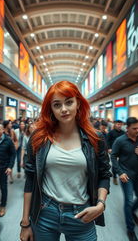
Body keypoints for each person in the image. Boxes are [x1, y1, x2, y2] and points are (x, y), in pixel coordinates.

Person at [19, 80, 111, 241]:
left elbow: (104, 174)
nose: (63, 109)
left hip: (82, 213)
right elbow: (30, 180)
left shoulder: (95, 138)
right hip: (45, 212)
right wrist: (25, 223)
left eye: (69, 102)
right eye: (57, 105)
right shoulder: (39, 138)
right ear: (51, 110)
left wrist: (100, 205)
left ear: (78, 104)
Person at [111, 117, 138, 241]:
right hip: (127, 176)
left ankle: (132, 212)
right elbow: (113, 157)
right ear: (127, 128)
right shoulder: (120, 141)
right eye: (134, 128)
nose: (137, 130)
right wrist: (120, 172)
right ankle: (130, 230)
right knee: (129, 201)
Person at [107, 120, 125, 185]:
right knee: (115, 164)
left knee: (121, 164)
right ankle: (114, 177)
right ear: (115, 125)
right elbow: (107, 141)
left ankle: (122, 175)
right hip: (113, 151)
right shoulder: (111, 133)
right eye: (118, 124)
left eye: (120, 124)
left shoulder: (123, 133)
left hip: (122, 151)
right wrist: (109, 148)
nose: (119, 126)